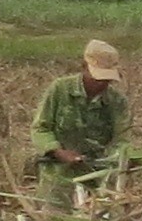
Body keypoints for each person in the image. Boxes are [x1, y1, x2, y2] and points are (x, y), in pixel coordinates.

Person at [29, 38, 129, 204]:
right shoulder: (60, 90)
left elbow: (122, 139)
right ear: (84, 67)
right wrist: (58, 151)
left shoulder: (117, 101)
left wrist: (112, 161)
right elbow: (40, 128)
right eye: (97, 78)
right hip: (57, 178)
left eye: (107, 80)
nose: (102, 84)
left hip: (98, 180)